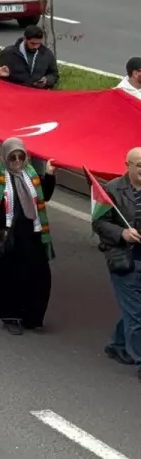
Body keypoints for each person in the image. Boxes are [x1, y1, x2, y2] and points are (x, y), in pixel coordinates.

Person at [0, 137, 56, 335]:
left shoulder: (30, 172)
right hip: (6, 233)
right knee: (8, 277)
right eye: (13, 157)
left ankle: (31, 316)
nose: (17, 160)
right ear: (5, 156)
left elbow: (44, 196)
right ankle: (10, 316)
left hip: (32, 232)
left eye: (21, 156)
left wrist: (50, 176)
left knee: (39, 275)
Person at [91, 148, 141, 382]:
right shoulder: (111, 190)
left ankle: (117, 344)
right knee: (137, 314)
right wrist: (122, 233)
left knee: (134, 310)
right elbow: (99, 223)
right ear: (127, 165)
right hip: (124, 260)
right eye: (139, 165)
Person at [0, 25, 59, 89]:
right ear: (25, 39)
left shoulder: (47, 54)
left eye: (39, 44)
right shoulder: (9, 53)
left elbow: (54, 75)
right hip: (13, 93)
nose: (36, 47)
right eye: (33, 43)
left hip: (36, 95)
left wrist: (47, 80)